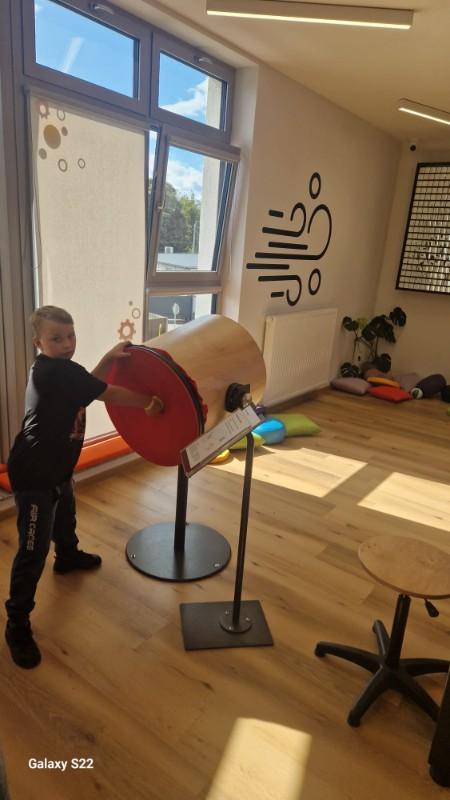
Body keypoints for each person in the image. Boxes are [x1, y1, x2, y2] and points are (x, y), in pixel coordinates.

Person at [4, 305, 162, 669]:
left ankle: (68, 556)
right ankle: (17, 622)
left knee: (66, 511)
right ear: (38, 342)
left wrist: (108, 357)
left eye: (70, 336)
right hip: (34, 474)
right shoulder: (54, 371)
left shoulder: (62, 372)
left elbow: (86, 387)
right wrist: (148, 403)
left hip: (57, 466)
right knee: (32, 549)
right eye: (56, 339)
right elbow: (107, 393)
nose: (66, 344)